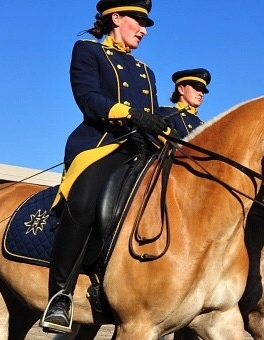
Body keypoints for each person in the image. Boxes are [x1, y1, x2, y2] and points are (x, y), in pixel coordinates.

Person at [40, 0, 169, 333]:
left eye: (145, 25)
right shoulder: (88, 51)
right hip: (100, 145)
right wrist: (128, 113)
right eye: (138, 22)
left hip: (141, 149)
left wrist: (160, 129)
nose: (143, 30)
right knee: (84, 199)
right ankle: (61, 294)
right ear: (116, 18)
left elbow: (151, 116)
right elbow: (88, 98)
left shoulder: (145, 71)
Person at [158, 68, 211, 136]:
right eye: (197, 89)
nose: (201, 94)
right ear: (181, 89)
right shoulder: (168, 113)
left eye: (203, 91)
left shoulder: (203, 126)